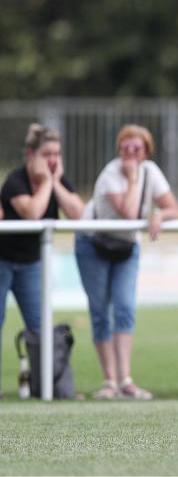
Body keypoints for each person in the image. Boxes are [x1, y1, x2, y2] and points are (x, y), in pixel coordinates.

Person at [75, 124, 178, 399]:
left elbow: (173, 207)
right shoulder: (110, 174)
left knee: (125, 308)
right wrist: (133, 178)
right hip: (93, 243)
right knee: (100, 311)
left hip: (126, 245)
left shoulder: (151, 171)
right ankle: (109, 381)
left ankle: (125, 380)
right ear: (119, 148)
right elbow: (130, 212)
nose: (130, 152)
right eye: (126, 147)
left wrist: (158, 215)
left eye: (137, 148)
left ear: (146, 152)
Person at [0, 124, 84, 397]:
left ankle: (46, 386)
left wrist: (55, 182)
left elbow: (79, 214)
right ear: (30, 155)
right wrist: (48, 182)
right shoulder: (16, 181)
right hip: (3, 261)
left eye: (57, 154)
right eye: (47, 154)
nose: (53, 160)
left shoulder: (57, 181)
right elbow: (32, 213)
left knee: (40, 327)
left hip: (31, 264)